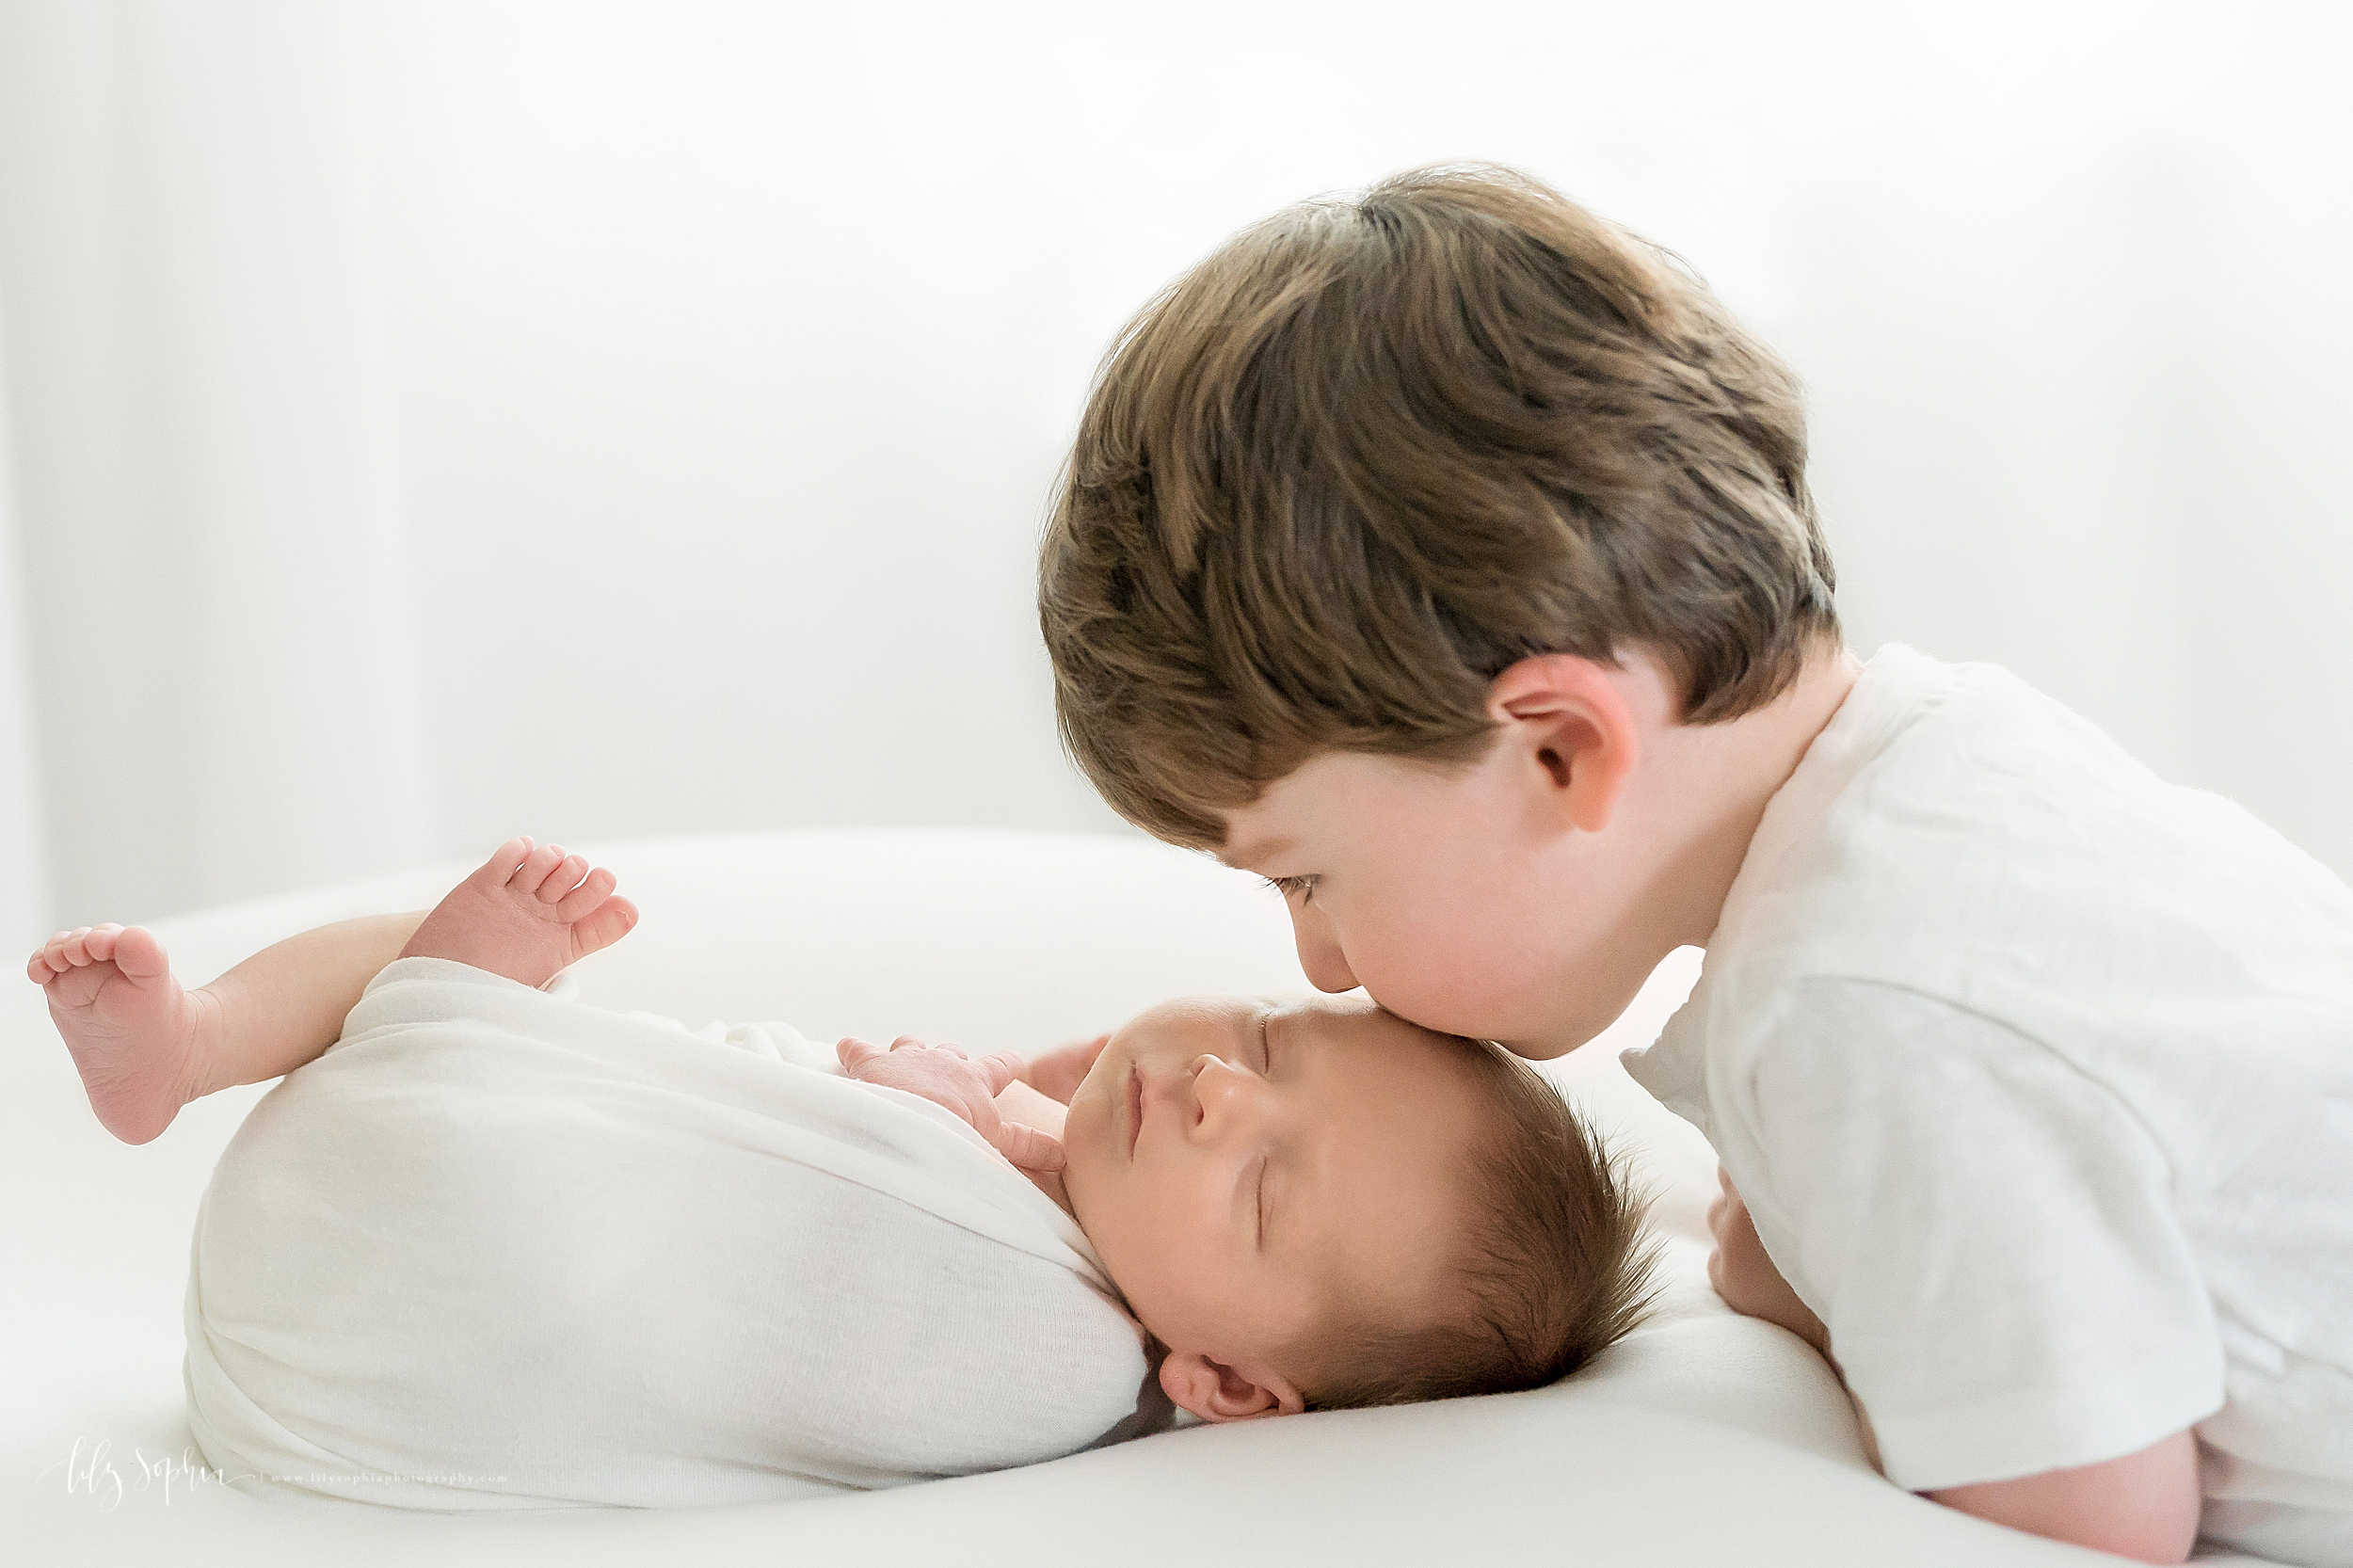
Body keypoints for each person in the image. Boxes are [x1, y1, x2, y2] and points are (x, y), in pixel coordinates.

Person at [1037, 162, 2353, 1565]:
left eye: (1306, 879)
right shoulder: (1957, 762)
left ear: (1558, 750)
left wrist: (1823, 1308)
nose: (1322, 963)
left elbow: (2089, 1524)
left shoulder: (1862, 1005)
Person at [29, 833, 1655, 1432]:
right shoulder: (1087, 1179)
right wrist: (1035, 1099)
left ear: (1226, 1381)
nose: (1223, 1089)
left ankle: (308, 1023)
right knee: (415, 976)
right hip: (338, 1245)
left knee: (424, 967)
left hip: (440, 1214)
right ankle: (197, 1043)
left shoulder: (1057, 1352)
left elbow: (839, 1275)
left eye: (1264, 1181)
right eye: (1267, 1040)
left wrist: (947, 1113)